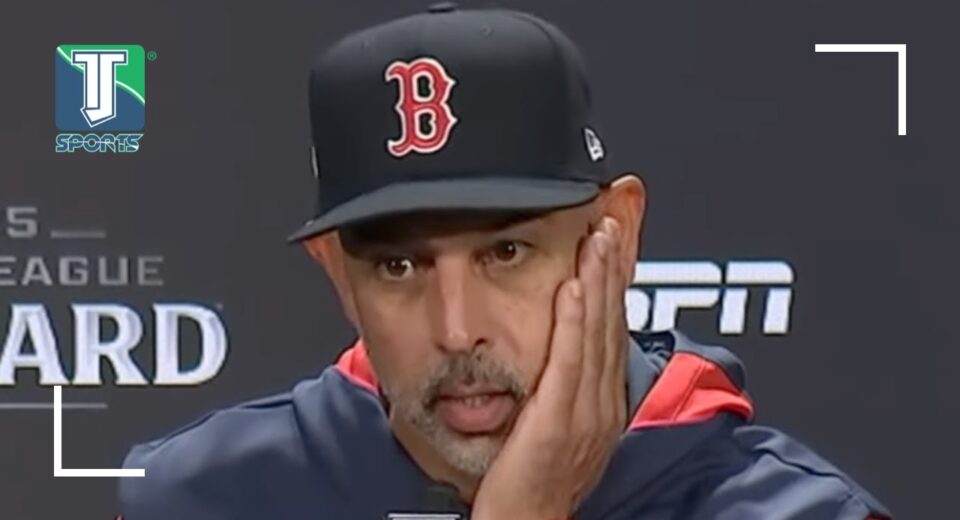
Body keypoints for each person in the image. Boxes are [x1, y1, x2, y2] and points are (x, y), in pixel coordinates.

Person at [118, 4, 892, 519]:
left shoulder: (790, 514)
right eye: (399, 268)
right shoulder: (203, 502)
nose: (458, 331)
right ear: (337, 273)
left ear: (616, 235)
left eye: (506, 252)